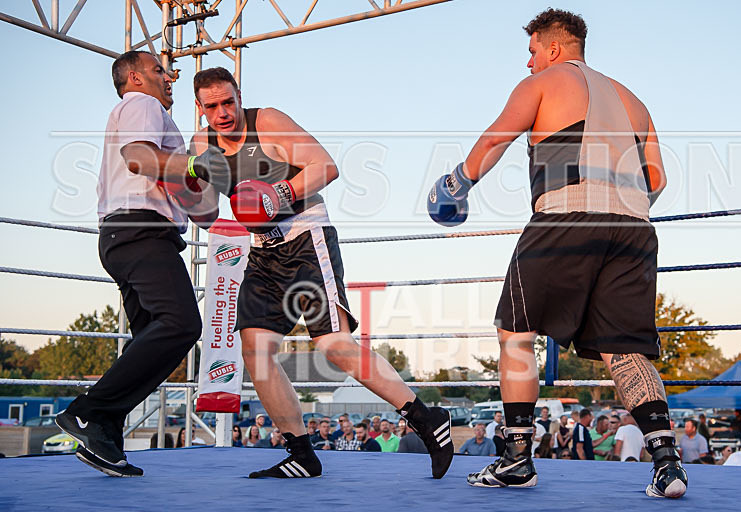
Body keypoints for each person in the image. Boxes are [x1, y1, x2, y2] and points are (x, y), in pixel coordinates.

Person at [433, 9, 687, 496]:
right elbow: (658, 179)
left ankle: (516, 460)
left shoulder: (545, 82)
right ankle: (667, 464)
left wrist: (455, 184)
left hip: (564, 219)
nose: (527, 63)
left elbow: (496, 138)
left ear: (553, 48)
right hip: (634, 227)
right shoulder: (635, 101)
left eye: (531, 52)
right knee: (625, 350)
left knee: (516, 333)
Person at [190, 67, 453, 479]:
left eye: (228, 102)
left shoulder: (268, 122)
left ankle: (425, 417)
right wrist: (186, 185)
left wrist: (278, 192)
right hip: (262, 253)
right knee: (256, 353)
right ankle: (302, 454)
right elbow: (205, 211)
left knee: (335, 346)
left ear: (239, 96)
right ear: (200, 108)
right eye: (212, 106)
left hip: (304, 239)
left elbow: (325, 166)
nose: (223, 113)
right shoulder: (200, 145)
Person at [55, 50, 219, 478]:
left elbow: (203, 212)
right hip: (140, 231)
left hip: (132, 234)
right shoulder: (141, 105)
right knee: (181, 324)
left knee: (151, 340)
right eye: (159, 71)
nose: (169, 78)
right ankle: (89, 412)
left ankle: (103, 430)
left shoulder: (159, 121)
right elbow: (139, 159)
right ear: (135, 77)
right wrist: (195, 164)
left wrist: (213, 178)